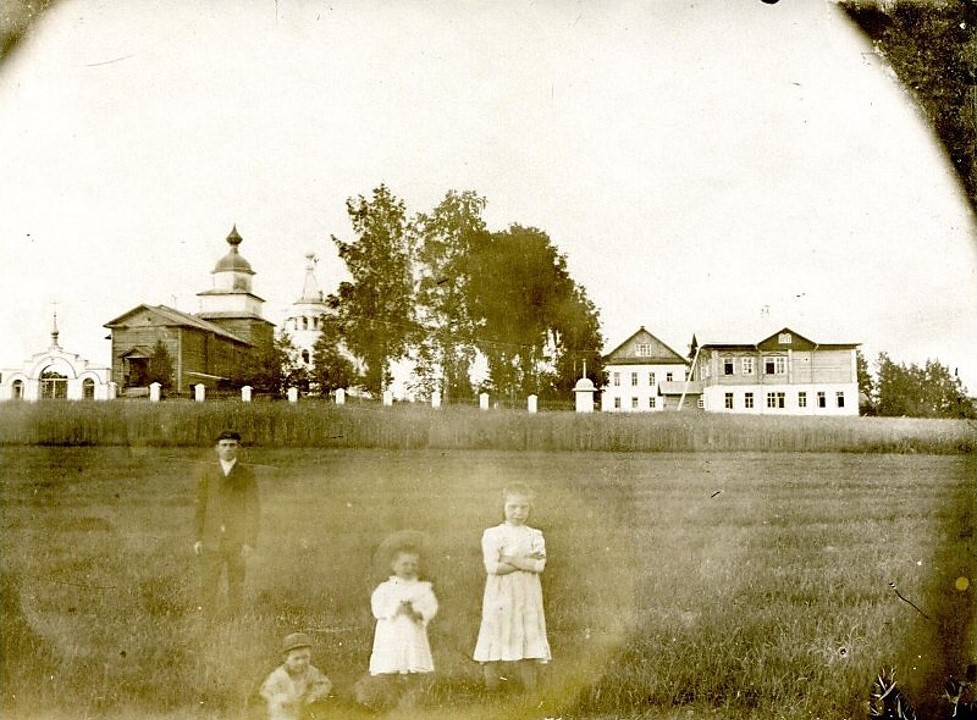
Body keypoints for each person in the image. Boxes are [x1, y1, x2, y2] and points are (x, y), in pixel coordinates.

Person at [473, 482, 551, 694]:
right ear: (503, 507)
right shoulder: (493, 534)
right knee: (495, 640)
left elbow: (538, 565)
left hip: (527, 595)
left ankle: (531, 695)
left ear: (530, 508)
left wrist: (510, 558)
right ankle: (492, 695)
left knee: (527, 638)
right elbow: (493, 567)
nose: (518, 512)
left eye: (523, 507)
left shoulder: (535, 535)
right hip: (500, 596)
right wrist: (523, 561)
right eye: (513, 507)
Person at [356, 539, 438, 712]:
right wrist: (395, 609)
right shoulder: (386, 588)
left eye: (414, 564)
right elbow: (378, 609)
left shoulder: (423, 589)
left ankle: (410, 701)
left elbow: (431, 607)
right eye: (405, 564)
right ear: (394, 565)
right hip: (391, 633)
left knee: (413, 664)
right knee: (391, 666)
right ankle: (390, 701)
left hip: (412, 632)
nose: (409, 568)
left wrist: (417, 613)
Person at [193, 430, 260, 616]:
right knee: (209, 582)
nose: (228, 449)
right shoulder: (208, 474)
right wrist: (198, 538)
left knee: (236, 583)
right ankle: (208, 621)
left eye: (232, 445)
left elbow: (253, 510)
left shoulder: (246, 475)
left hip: (236, 540)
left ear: (238, 448)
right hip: (211, 538)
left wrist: (249, 541)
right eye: (224, 445)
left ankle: (234, 620)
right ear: (217, 448)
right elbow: (201, 507)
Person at [259, 632, 332, 720]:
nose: (301, 662)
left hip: (303, 710)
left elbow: (325, 684)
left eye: (305, 657)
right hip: (284, 713)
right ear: (285, 659)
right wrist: (281, 698)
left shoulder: (310, 671)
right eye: (296, 659)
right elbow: (265, 691)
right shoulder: (278, 676)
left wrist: (314, 695)